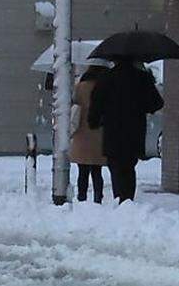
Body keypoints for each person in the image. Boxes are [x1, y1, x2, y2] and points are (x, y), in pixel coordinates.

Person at [88, 59, 164, 203]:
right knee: (129, 167)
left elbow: (96, 104)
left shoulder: (106, 78)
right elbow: (157, 103)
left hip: (113, 130)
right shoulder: (142, 78)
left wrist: (94, 121)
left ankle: (120, 199)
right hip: (134, 130)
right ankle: (128, 199)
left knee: (115, 166)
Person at [70, 66, 108, 203]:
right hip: (98, 131)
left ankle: (82, 197)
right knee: (97, 171)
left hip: (82, 131)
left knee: (83, 170)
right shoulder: (104, 87)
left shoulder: (80, 87)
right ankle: (98, 197)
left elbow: (74, 104)